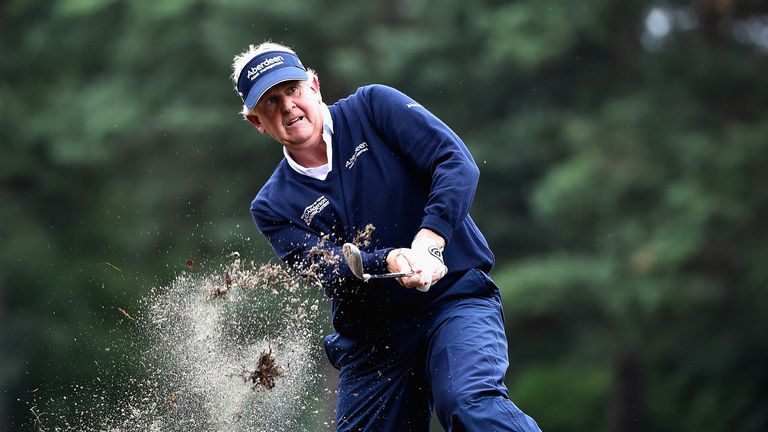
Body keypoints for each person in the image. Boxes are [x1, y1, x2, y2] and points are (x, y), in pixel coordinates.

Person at [231, 41, 541, 432]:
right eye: (270, 102)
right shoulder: (273, 205)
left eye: (292, 89)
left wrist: (430, 241)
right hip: (373, 343)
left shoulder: (373, 108)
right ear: (257, 122)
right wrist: (389, 260)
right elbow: (322, 268)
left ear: (313, 85)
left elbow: (455, 163)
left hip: (454, 300)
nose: (288, 106)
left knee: (468, 404)